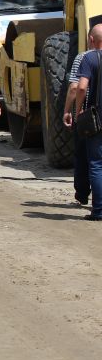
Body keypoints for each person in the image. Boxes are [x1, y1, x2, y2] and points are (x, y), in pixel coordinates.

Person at [76, 24, 102, 220]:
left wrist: (78, 111)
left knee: (96, 164)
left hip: (97, 118)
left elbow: (81, 87)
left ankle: (99, 211)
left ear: (91, 40)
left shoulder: (89, 58)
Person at [65, 46, 93, 206]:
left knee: (83, 155)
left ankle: (82, 194)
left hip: (86, 115)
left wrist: (70, 111)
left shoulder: (83, 58)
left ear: (90, 39)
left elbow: (75, 87)